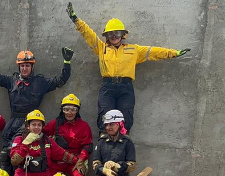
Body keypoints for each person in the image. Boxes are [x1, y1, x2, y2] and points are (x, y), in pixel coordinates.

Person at [66, 2, 190, 133]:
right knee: (105, 117)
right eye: (110, 34)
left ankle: (123, 142)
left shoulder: (134, 50)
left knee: (126, 118)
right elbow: (88, 34)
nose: (114, 36)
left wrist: (173, 53)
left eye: (117, 33)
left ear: (123, 35)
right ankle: (104, 143)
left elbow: (154, 52)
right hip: (107, 87)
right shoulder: (102, 48)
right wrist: (76, 20)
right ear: (106, 36)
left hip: (126, 88)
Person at [0, 44, 73, 176]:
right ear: (19, 67)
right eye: (22, 65)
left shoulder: (40, 82)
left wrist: (67, 63)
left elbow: (60, 81)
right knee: (5, 156)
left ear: (32, 67)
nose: (24, 68)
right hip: (12, 123)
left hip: (29, 125)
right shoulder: (12, 81)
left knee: (22, 158)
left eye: (27, 65)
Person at [8, 110, 83, 176]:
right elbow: (14, 161)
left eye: (39, 125)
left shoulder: (48, 141)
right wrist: (25, 144)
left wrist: (79, 161)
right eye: (33, 124)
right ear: (28, 126)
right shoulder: (19, 140)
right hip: (22, 175)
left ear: (42, 127)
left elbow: (62, 154)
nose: (36, 127)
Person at [44, 94, 93, 176]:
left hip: (74, 162)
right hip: (55, 163)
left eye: (73, 109)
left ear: (77, 111)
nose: (69, 112)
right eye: (66, 109)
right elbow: (41, 135)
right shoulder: (54, 124)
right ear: (62, 110)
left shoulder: (84, 126)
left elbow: (88, 145)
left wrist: (82, 159)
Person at [90, 110, 135, 176]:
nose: (108, 127)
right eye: (106, 125)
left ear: (119, 124)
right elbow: (95, 163)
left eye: (111, 124)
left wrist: (118, 167)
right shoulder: (101, 142)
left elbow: (132, 164)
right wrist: (105, 171)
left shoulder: (127, 142)